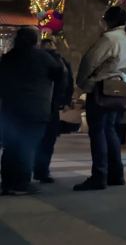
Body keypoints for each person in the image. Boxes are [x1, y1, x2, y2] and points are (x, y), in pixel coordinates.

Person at [73, 7, 126, 191]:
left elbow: (90, 61)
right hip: (119, 89)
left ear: (108, 20)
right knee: (110, 130)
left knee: (98, 132)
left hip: (102, 88)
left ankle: (99, 175)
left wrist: (83, 83)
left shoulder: (109, 38)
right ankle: (116, 174)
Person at [0, 27, 64, 195]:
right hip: (36, 108)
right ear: (35, 41)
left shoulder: (7, 58)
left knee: (10, 146)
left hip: (11, 109)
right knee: (27, 145)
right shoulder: (43, 57)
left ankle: (7, 182)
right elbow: (60, 75)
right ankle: (21, 183)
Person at [33, 38, 74, 184]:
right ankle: (41, 170)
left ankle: (38, 169)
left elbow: (68, 83)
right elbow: (68, 83)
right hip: (51, 105)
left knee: (39, 139)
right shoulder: (61, 62)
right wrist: (66, 101)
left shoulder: (36, 59)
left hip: (40, 104)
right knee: (47, 140)